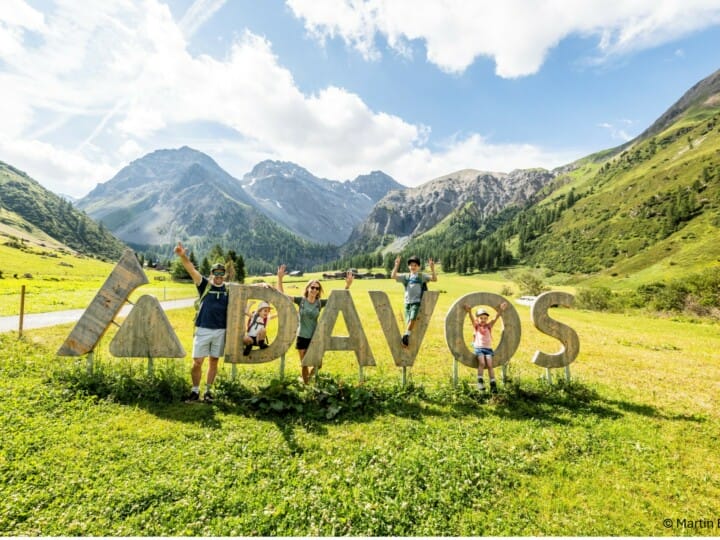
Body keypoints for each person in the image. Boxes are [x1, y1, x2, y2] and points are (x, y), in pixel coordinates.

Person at [276, 265, 353, 384]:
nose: (314, 290)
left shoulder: (319, 303)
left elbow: (338, 299)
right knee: (304, 364)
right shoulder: (300, 301)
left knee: (318, 364)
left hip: (315, 336)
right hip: (302, 336)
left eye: (317, 288)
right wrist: (280, 279)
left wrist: (347, 286)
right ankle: (306, 386)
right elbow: (282, 296)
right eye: (312, 287)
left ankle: (308, 379)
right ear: (308, 288)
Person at [174, 241, 228, 403]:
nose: (218, 277)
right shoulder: (204, 284)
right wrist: (183, 256)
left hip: (220, 330)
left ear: (224, 275)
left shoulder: (229, 289)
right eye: (216, 274)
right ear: (211, 274)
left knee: (214, 361)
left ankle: (208, 392)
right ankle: (195, 391)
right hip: (203, 329)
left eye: (221, 275)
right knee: (197, 361)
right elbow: (191, 269)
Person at [391, 255, 437, 347]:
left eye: (415, 265)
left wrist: (432, 269)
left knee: (413, 318)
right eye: (411, 265)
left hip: (417, 302)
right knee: (409, 322)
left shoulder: (421, 276)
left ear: (418, 267)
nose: (413, 267)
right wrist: (396, 265)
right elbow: (393, 276)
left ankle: (405, 335)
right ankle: (407, 340)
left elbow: (434, 279)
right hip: (407, 302)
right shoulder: (406, 276)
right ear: (409, 267)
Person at [464, 302, 507, 393]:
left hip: (488, 349)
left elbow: (496, 318)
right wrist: (469, 311)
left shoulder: (489, 326)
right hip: (479, 348)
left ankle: (493, 384)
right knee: (482, 363)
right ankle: (480, 382)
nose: (483, 320)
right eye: (481, 318)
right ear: (477, 319)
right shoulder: (476, 326)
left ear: (487, 319)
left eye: (485, 318)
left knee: (490, 365)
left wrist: (501, 309)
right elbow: (471, 319)